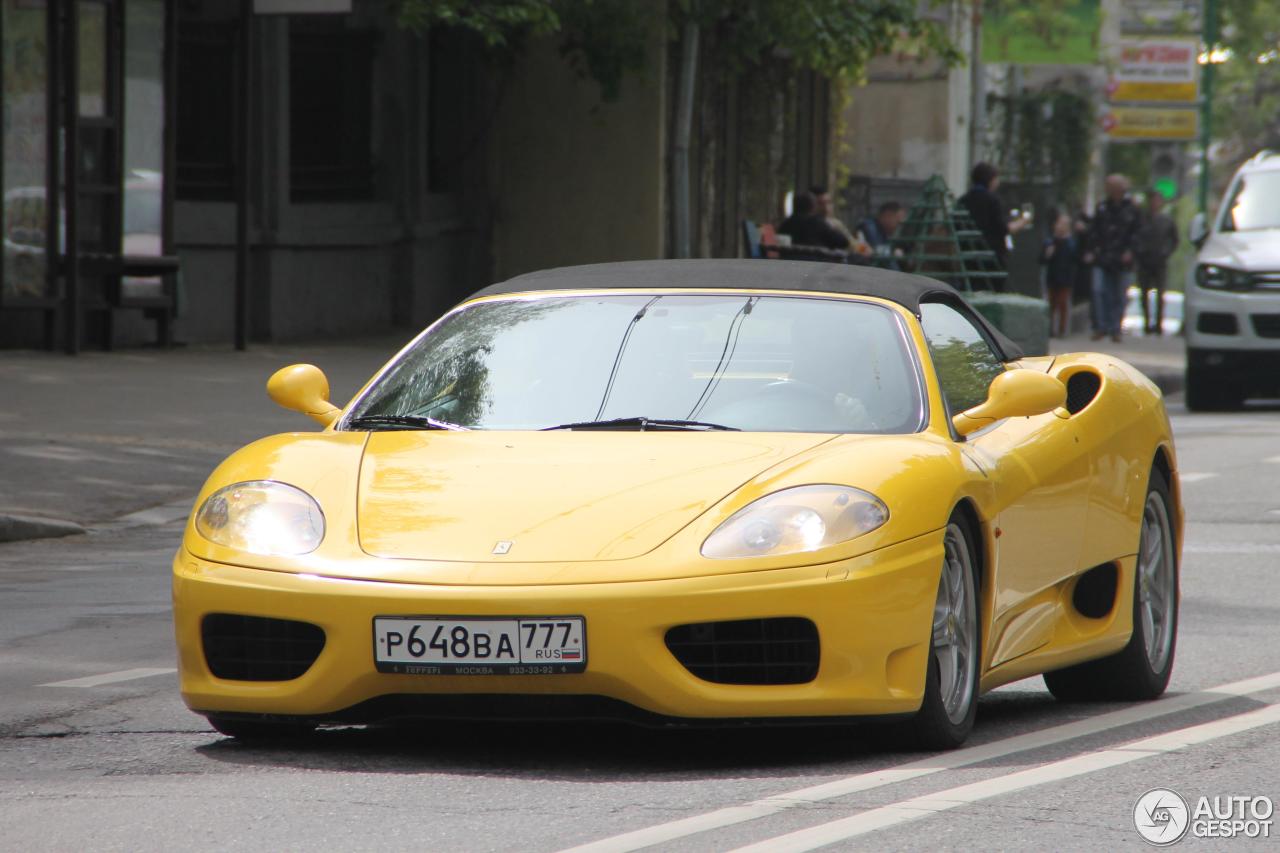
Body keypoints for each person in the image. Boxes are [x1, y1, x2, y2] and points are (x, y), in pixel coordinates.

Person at [1084, 174, 1142, 342]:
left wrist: (1131, 251)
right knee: (1098, 290)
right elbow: (1094, 230)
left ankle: (1115, 328)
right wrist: (1090, 250)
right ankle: (1100, 327)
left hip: (1123, 261)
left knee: (1120, 295)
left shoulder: (1132, 209)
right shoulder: (1102, 207)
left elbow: (1138, 233)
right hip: (1102, 257)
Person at [959, 162, 1029, 287]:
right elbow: (1002, 229)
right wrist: (1022, 222)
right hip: (991, 257)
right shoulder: (992, 200)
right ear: (990, 180)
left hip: (967, 256)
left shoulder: (964, 200)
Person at [1133, 191, 1180, 334]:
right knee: (1144, 293)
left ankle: (1158, 324)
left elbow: (1174, 240)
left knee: (1160, 294)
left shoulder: (1166, 220)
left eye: (1158, 200)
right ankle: (1147, 323)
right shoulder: (1141, 219)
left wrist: (1166, 252)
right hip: (1144, 261)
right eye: (1153, 200)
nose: (1155, 203)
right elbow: (1134, 236)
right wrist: (1139, 251)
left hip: (1160, 261)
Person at [1040, 211, 1079, 338]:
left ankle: (1062, 330)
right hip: (1052, 277)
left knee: (1062, 304)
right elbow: (1042, 260)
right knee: (1051, 304)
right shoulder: (1049, 242)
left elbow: (1075, 258)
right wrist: (1048, 254)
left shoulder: (1070, 243)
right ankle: (1050, 329)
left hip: (1065, 278)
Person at [778, 191, 851, 251]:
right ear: (813, 206)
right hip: (818, 263)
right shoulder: (818, 223)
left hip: (790, 262)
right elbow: (843, 242)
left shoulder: (786, 224)